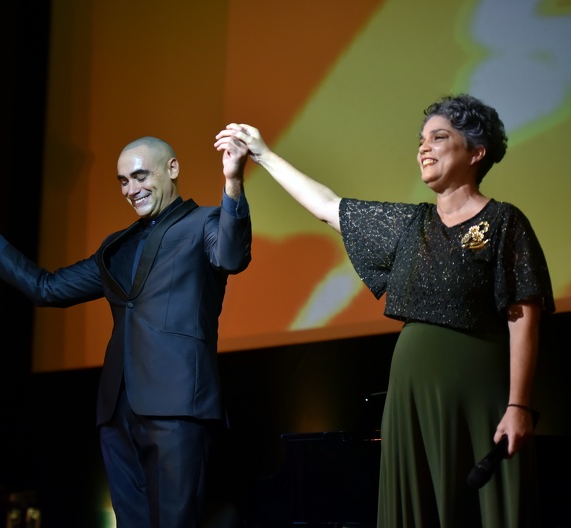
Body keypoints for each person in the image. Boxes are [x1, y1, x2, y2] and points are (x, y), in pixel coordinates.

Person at [216, 94, 554, 527]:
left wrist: (519, 406)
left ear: (476, 151)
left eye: (439, 137)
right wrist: (263, 155)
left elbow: (523, 315)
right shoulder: (410, 225)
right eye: (421, 139)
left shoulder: (505, 222)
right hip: (411, 392)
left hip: (479, 393)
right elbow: (326, 205)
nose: (424, 147)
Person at [0, 135, 252, 527]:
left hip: (179, 406)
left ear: (172, 169)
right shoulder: (116, 246)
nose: (131, 189)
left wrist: (233, 182)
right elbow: (47, 289)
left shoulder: (206, 222)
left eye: (141, 176)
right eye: (123, 181)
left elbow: (231, 255)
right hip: (116, 413)